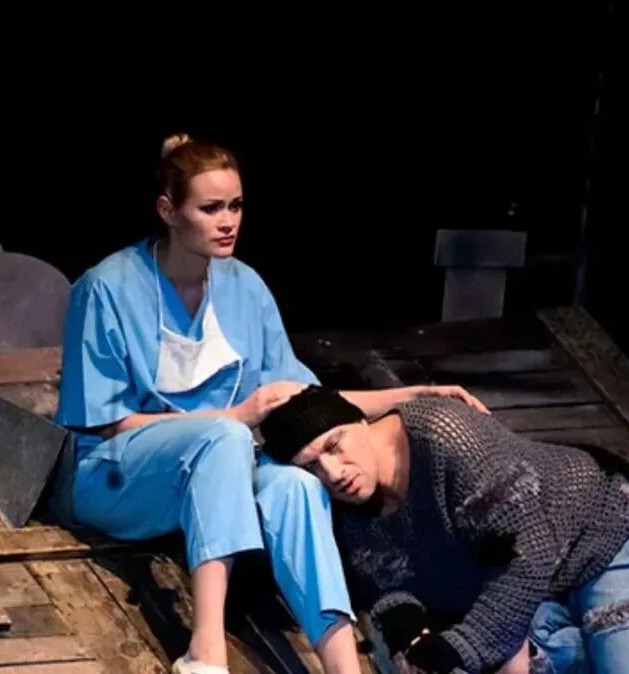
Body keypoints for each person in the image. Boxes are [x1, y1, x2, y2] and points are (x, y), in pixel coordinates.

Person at [53, 133, 490, 674]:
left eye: (235, 206)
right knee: (225, 438)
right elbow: (108, 424)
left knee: (296, 486)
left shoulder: (244, 287)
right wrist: (234, 417)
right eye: (210, 208)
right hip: (118, 476)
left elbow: (307, 399)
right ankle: (206, 648)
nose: (227, 221)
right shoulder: (106, 289)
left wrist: (414, 394)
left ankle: (342, 666)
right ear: (168, 211)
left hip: (226, 472)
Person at [256, 385, 629, 674]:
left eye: (334, 446)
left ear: (359, 421)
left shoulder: (446, 436)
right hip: (524, 584)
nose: (333, 472)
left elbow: (525, 557)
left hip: (601, 534)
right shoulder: (347, 502)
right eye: (311, 467)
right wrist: (408, 634)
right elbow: (385, 583)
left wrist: (456, 650)